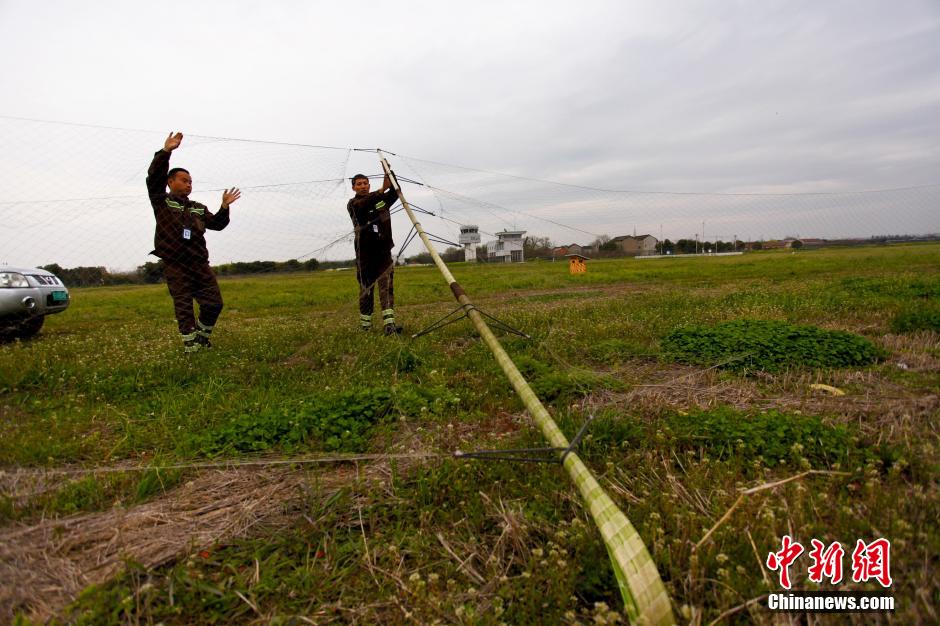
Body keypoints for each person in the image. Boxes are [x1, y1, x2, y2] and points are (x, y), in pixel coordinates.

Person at [146, 132, 240, 352]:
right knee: (184, 307)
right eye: (184, 180)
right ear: (170, 182)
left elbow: (217, 224)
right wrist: (166, 152)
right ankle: (192, 348)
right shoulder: (162, 202)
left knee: (214, 304)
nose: (188, 185)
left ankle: (202, 337)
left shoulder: (197, 207)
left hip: (199, 265)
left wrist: (224, 207)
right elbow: (154, 179)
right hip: (175, 265)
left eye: (190, 182)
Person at [346, 172, 402, 335]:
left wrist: (391, 176)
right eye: (359, 184)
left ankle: (389, 326)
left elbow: (395, 192)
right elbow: (365, 203)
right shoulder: (353, 204)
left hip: (383, 252)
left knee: (386, 287)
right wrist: (381, 190)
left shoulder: (380, 201)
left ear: (369, 185)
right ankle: (365, 327)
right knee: (366, 290)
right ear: (354, 187)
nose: (363, 186)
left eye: (365, 183)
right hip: (365, 255)